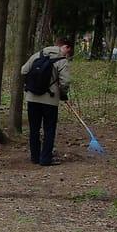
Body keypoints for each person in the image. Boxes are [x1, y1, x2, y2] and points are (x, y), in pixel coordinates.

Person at [22, 37, 73, 166]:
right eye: (68, 51)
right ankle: (45, 158)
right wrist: (63, 94)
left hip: (32, 98)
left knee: (34, 129)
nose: (68, 54)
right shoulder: (62, 61)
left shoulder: (37, 55)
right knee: (49, 129)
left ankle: (35, 157)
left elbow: (24, 70)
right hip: (50, 100)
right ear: (65, 47)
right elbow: (66, 81)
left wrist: (31, 85)